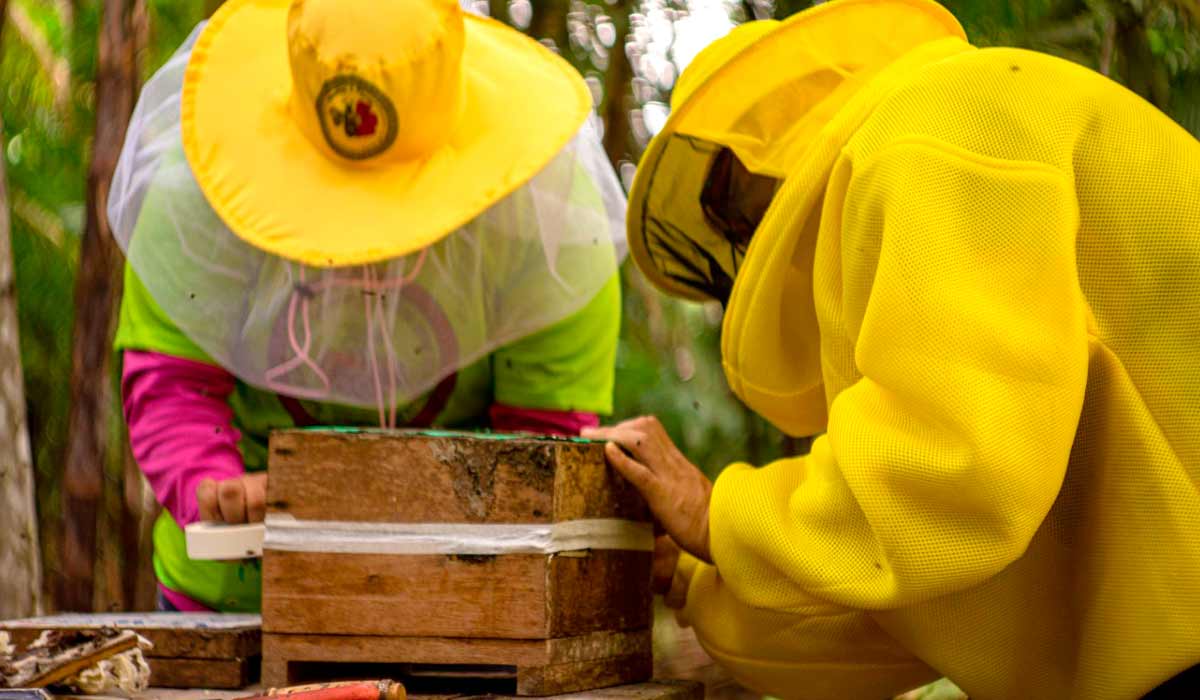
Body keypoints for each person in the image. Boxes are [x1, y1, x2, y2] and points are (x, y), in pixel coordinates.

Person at [583, 0, 1200, 698]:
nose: (738, 234)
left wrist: (715, 514)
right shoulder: (914, 168)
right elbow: (914, 607)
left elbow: (955, 475)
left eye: (727, 201)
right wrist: (697, 575)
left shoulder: (928, 127)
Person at [109, 0, 626, 613]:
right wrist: (214, 490)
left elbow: (543, 444)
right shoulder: (199, 183)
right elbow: (175, 379)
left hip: (461, 600)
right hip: (241, 601)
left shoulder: (553, 219)